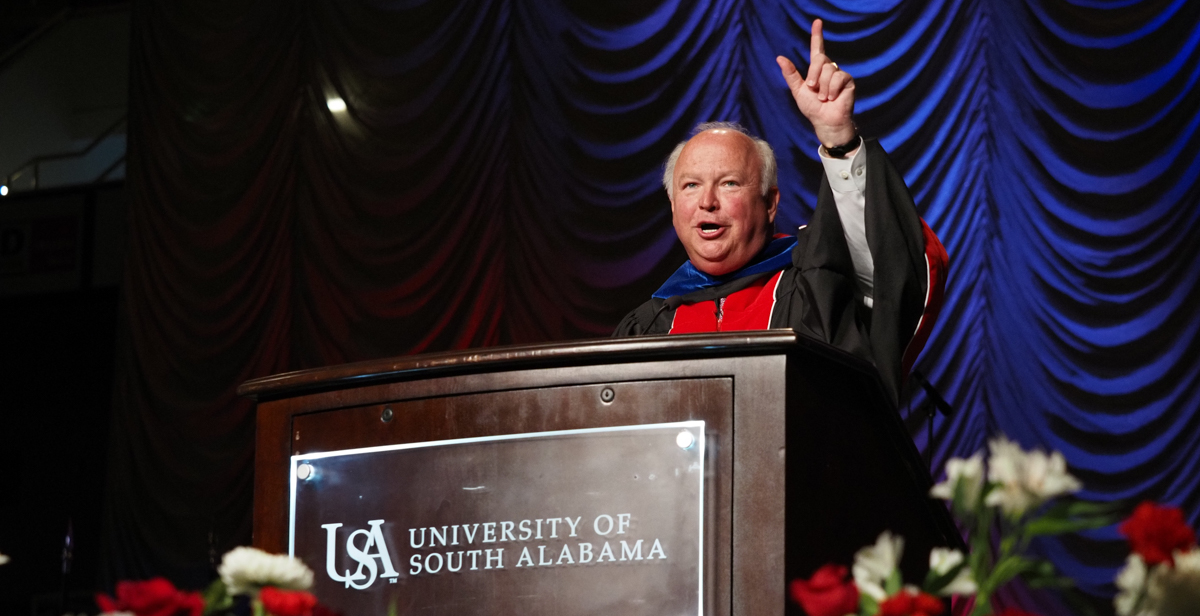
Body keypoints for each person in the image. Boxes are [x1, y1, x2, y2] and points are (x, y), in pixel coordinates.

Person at [613, 19, 948, 404]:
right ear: (673, 207)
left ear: (771, 203)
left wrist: (839, 140)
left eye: (729, 184)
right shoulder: (647, 325)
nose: (707, 201)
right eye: (690, 186)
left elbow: (887, 271)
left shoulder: (814, 286)